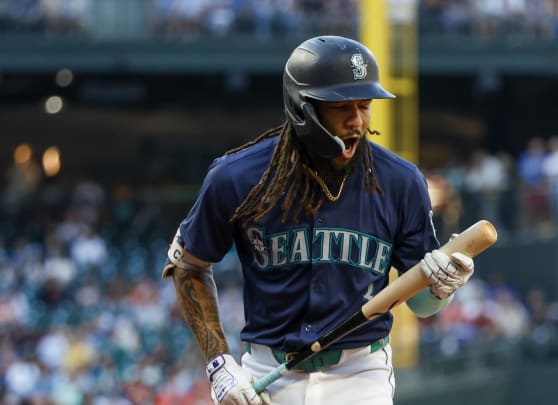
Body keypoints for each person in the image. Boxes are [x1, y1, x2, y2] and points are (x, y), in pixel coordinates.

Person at [161, 35, 476, 405]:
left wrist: (442, 290)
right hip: (268, 374)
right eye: (342, 107)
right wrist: (219, 365)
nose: (357, 120)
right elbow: (189, 267)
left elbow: (420, 304)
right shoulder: (237, 177)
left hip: (360, 375)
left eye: (364, 105)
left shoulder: (400, 182)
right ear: (303, 108)